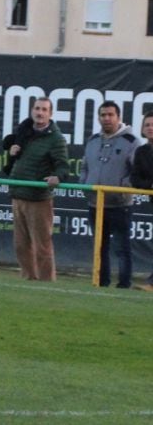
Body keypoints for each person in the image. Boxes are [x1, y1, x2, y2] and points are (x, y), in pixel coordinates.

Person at [3, 97, 69, 281]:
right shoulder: (24, 132)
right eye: (37, 108)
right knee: (20, 245)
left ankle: (47, 282)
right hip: (18, 194)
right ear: (32, 110)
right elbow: (18, 159)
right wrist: (12, 152)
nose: (39, 113)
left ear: (50, 113)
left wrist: (58, 177)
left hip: (38, 198)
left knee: (42, 245)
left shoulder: (56, 139)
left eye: (44, 110)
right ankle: (29, 280)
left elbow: (63, 165)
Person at [80, 101, 139, 289]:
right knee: (99, 247)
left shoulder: (131, 141)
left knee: (122, 248)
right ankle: (101, 281)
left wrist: (123, 188)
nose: (106, 118)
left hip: (119, 205)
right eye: (103, 115)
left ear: (119, 117)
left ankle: (124, 284)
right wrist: (84, 185)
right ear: (98, 117)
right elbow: (84, 166)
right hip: (95, 203)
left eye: (110, 114)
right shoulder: (93, 140)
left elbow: (136, 171)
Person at [128, 111, 153, 292]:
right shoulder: (142, 151)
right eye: (147, 125)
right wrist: (150, 184)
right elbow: (136, 179)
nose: (150, 128)